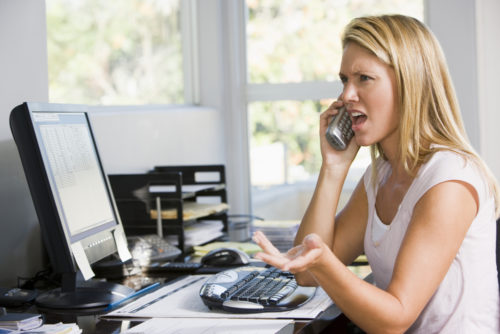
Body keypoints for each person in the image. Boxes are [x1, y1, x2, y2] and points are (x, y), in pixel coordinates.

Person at [252, 14, 500, 333]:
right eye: (344, 80)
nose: (346, 96)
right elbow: (307, 274)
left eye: (363, 78)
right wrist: (333, 168)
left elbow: (395, 318)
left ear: (409, 83)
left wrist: (323, 261)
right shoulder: (381, 174)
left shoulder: (449, 181)